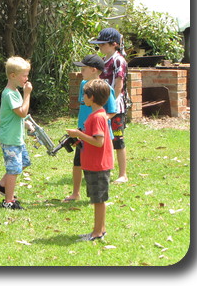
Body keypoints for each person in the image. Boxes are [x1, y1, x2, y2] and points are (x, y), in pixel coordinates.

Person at [62, 54, 116, 203]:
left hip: (97, 134)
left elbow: (112, 110)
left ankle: (99, 194)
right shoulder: (84, 85)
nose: (81, 72)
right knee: (77, 162)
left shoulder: (105, 89)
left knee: (97, 164)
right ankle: (75, 192)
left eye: (83, 69)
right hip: (83, 132)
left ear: (93, 70)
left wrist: (99, 121)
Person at [66, 79, 114, 241]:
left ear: (92, 97)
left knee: (98, 200)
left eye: (84, 94)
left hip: (98, 165)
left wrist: (79, 134)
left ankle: (96, 233)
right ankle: (101, 229)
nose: (82, 97)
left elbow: (99, 142)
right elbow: (92, 138)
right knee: (97, 198)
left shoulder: (98, 117)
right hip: (93, 164)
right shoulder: (95, 115)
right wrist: (79, 140)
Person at [0, 56, 33, 210]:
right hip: (9, 138)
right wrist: (27, 94)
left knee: (24, 162)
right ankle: (8, 201)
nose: (27, 78)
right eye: (24, 75)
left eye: (27, 75)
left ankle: (2, 185)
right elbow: (22, 112)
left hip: (16, 137)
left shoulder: (15, 91)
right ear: (13, 76)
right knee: (13, 169)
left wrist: (27, 124)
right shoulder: (9, 94)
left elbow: (19, 116)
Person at [90, 27, 129, 184]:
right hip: (102, 107)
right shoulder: (103, 60)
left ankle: (123, 174)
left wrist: (111, 103)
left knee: (118, 140)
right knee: (102, 138)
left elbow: (118, 84)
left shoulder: (118, 60)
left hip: (116, 108)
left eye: (103, 44)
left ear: (114, 44)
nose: (100, 47)